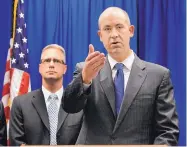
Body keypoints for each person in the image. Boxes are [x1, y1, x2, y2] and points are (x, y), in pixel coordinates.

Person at [62, 7, 179, 145]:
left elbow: (167, 131)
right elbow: (69, 107)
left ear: (131, 31)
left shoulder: (158, 76)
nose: (114, 34)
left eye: (119, 27)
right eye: (107, 29)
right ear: (100, 35)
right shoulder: (85, 70)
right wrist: (85, 79)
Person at [9, 44, 83, 145]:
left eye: (56, 61)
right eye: (47, 60)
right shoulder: (21, 104)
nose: (51, 64)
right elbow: (16, 143)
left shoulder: (79, 105)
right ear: (40, 68)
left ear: (65, 69)